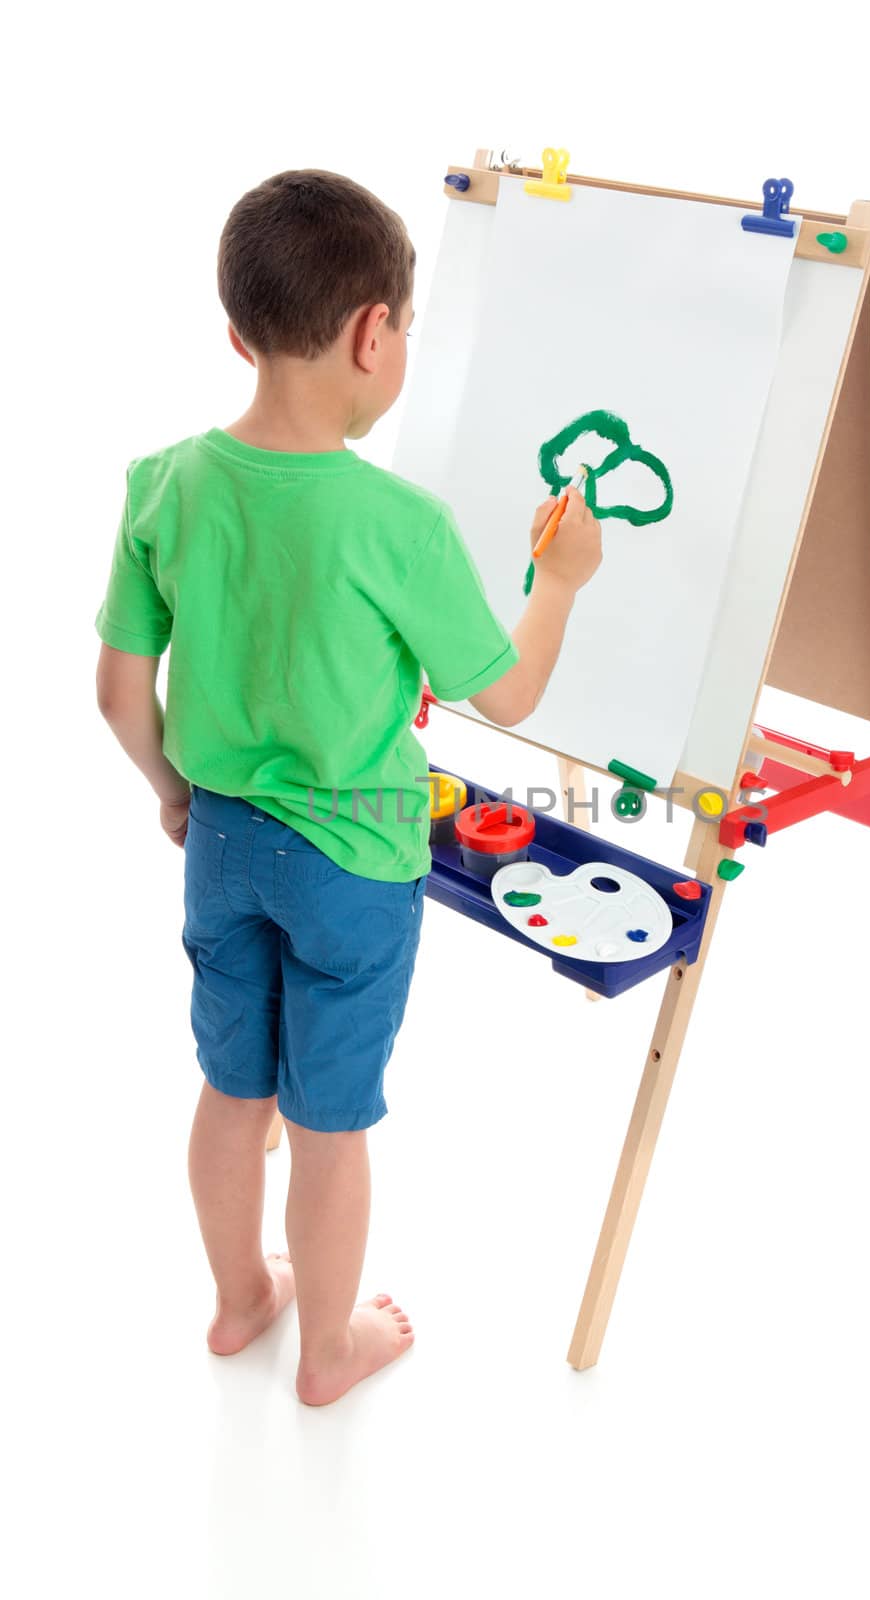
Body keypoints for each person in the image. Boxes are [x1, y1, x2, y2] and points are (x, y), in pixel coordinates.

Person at [94, 168, 602, 1407]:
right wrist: (565, 580)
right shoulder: (398, 525)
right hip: (359, 861)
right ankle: (327, 1352)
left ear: (239, 330)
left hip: (220, 840)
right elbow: (511, 696)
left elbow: (117, 692)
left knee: (232, 1089)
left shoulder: (164, 481)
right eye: (409, 330)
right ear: (374, 331)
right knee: (329, 1121)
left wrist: (173, 792)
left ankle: (239, 1301)